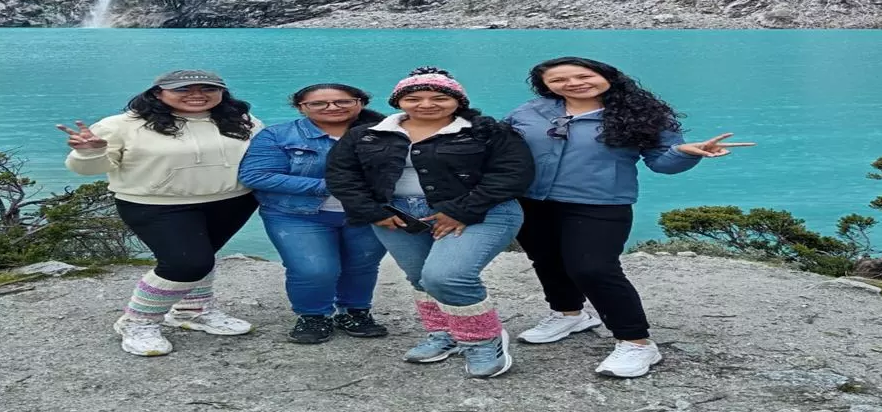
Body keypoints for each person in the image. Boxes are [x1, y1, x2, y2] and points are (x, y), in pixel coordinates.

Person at [505, 57, 754, 378]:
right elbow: (499, 144)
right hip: (532, 200)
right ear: (546, 86)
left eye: (582, 75)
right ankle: (569, 314)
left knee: (593, 268)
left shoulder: (640, 114)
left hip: (599, 203)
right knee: (547, 260)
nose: (573, 84)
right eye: (559, 80)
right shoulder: (531, 111)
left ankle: (636, 342)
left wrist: (684, 153)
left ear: (606, 76)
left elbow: (662, 163)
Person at [325, 67, 534, 379]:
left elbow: (513, 174)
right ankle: (446, 332)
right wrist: (374, 212)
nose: (426, 104)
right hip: (396, 215)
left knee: (448, 276)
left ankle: (482, 339)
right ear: (398, 101)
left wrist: (461, 210)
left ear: (458, 101)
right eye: (414, 98)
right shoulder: (367, 133)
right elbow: (342, 175)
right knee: (421, 277)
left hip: (482, 211)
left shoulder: (487, 131)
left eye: (439, 97)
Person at [58, 69, 262, 357]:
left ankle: (192, 310)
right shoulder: (122, 125)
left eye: (208, 88)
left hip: (233, 201)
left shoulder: (243, 121)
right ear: (157, 93)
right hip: (156, 204)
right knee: (186, 263)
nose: (197, 95)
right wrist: (90, 152)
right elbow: (87, 169)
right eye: (183, 89)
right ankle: (137, 321)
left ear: (222, 92)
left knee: (203, 256)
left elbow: (264, 157)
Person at [239, 83, 390, 344]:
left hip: (368, 213)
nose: (332, 107)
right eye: (318, 103)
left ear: (360, 103)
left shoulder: (386, 133)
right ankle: (313, 315)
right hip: (296, 213)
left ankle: (355, 311)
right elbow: (256, 175)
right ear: (301, 108)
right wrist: (330, 186)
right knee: (313, 269)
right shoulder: (278, 135)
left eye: (343, 101)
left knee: (362, 265)